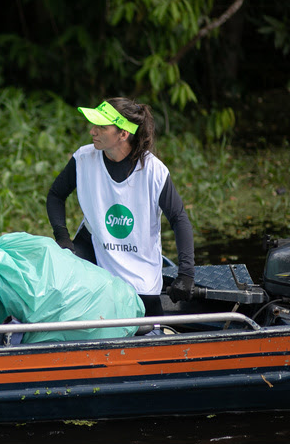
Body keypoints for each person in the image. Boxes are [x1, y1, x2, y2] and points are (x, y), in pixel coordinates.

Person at [46, 97, 195, 317]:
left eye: (101, 127)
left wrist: (186, 275)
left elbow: (179, 219)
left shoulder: (154, 171)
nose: (92, 131)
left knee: (146, 326)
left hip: (140, 269)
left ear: (123, 134)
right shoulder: (84, 158)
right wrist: (62, 238)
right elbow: (55, 195)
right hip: (95, 251)